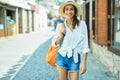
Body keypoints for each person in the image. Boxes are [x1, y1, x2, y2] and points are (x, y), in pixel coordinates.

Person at [52, 1, 90, 80]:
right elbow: (55, 43)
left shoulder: (82, 25)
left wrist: (84, 63)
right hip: (62, 57)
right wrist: (61, 35)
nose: (69, 12)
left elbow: (85, 45)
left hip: (75, 58)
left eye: (71, 9)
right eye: (67, 9)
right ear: (64, 11)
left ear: (75, 11)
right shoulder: (60, 26)